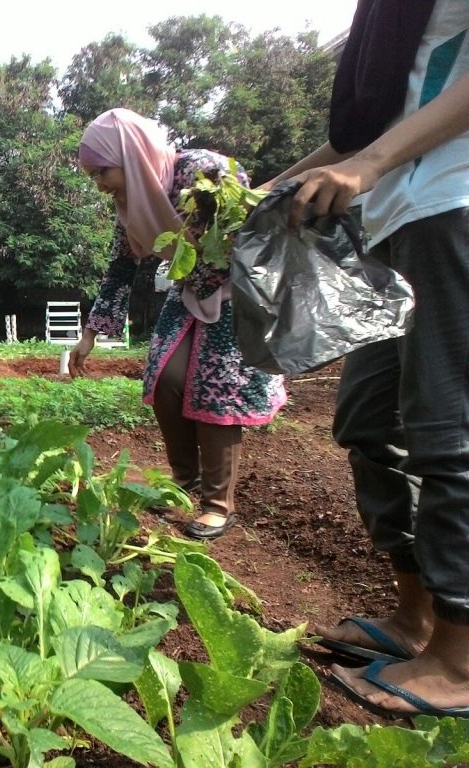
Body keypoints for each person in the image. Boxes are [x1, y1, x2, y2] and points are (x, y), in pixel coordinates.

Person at [263, 0, 469, 718]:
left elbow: (373, 149)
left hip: (454, 201)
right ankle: (415, 618)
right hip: (393, 220)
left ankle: (460, 660)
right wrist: (265, 192)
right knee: (368, 421)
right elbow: (368, 130)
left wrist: (372, 163)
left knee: (448, 430)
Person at [70, 108, 287, 540]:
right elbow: (120, 267)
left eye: (102, 172)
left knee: (217, 391)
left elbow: (245, 228)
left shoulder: (200, 171)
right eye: (92, 176)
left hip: (238, 292)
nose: (99, 184)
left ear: (130, 156)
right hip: (189, 290)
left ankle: (218, 505)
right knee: (166, 378)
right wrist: (89, 333)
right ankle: (185, 481)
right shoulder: (132, 205)